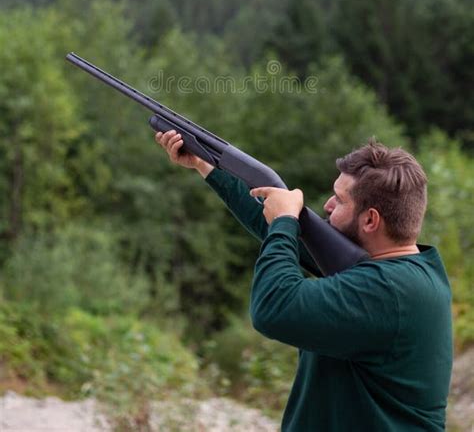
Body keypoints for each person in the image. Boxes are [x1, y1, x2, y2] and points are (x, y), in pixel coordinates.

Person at [155, 130, 453, 431]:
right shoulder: (408, 270)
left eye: (339, 200)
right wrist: (205, 165)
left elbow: (274, 307)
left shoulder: (387, 291)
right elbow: (281, 229)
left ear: (370, 220)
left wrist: (285, 221)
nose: (327, 205)